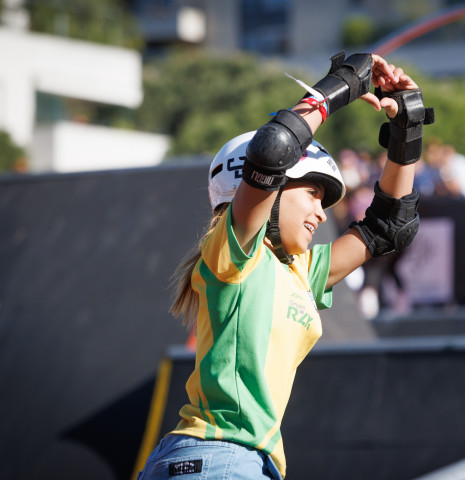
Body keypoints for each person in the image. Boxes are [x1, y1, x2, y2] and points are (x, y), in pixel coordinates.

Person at [137, 53, 433, 479]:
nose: (321, 213)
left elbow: (390, 227)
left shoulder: (299, 270)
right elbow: (273, 148)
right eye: (312, 193)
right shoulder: (234, 254)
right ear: (270, 189)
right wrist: (346, 81)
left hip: (247, 461)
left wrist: (408, 126)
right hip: (218, 455)